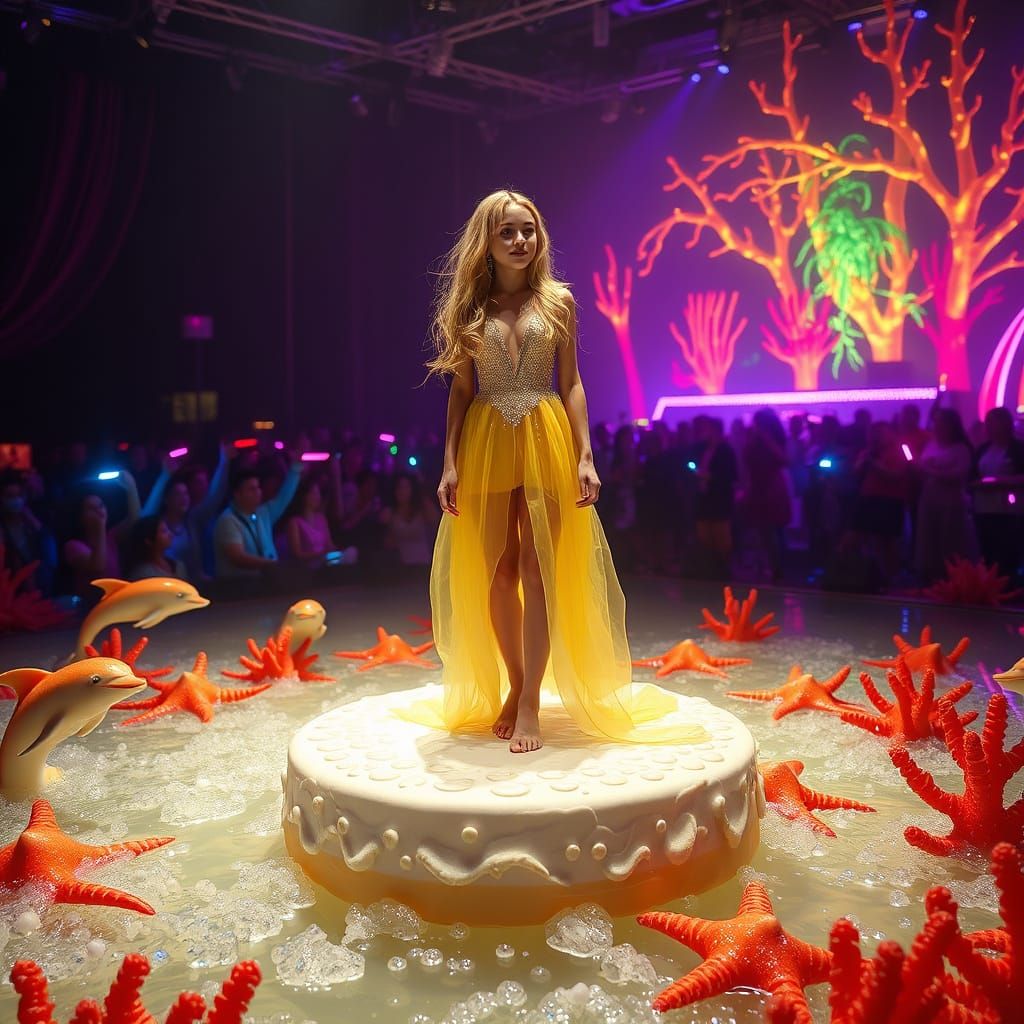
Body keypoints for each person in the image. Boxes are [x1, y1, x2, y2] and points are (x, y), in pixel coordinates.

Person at [421, 188, 704, 754]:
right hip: (485, 440)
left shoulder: (559, 301)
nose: (521, 240)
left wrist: (585, 453)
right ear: (488, 241)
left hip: (545, 432)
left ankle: (529, 705)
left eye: (528, 230)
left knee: (538, 566)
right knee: (497, 569)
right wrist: (449, 461)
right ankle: (518, 683)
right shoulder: (466, 309)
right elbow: (459, 389)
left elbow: (571, 382)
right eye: (508, 232)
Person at [213, 456, 301, 582]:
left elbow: (284, 497)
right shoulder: (228, 521)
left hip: (264, 585)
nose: (258, 492)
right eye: (251, 489)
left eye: (258, 487)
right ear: (237, 494)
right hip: (237, 591)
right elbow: (237, 557)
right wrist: (272, 565)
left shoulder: (263, 513)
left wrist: (296, 466)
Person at [914, 408, 976, 582]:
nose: (937, 426)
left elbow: (960, 475)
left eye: (941, 422)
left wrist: (930, 470)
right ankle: (931, 574)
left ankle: (951, 575)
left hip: (951, 499)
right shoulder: (930, 445)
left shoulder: (961, 449)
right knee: (928, 534)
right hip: (928, 496)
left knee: (950, 536)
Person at [971, 406, 1024, 580]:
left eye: (994, 422)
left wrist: (1003, 482)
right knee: (987, 547)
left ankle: (1010, 583)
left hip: (1010, 508)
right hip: (984, 507)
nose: (991, 426)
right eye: (989, 423)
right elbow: (972, 475)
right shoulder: (983, 449)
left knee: (1008, 547)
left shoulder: (1018, 449)